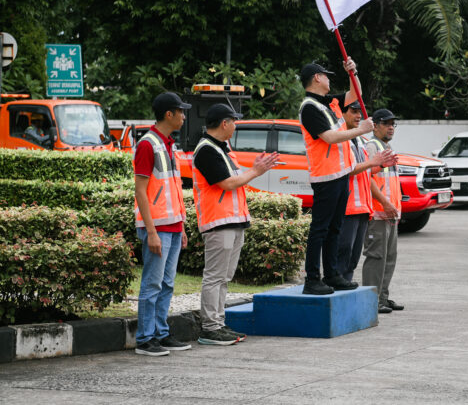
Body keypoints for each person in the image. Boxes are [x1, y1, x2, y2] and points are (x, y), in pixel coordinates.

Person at [193, 103, 281, 346]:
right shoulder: (207, 150)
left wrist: (254, 170)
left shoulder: (222, 149)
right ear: (224, 123)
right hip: (218, 222)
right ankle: (210, 328)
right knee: (215, 277)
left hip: (232, 221)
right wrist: (256, 171)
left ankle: (218, 324)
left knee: (223, 277)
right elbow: (228, 183)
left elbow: (236, 180)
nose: (235, 125)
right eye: (233, 121)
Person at [298, 59, 375, 295]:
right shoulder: (309, 107)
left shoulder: (330, 103)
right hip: (326, 176)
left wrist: (354, 71)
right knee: (320, 229)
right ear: (317, 78)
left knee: (335, 228)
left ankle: (332, 275)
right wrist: (361, 130)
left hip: (341, 174)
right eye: (326, 75)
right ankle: (313, 278)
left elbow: (356, 92)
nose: (330, 79)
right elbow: (329, 137)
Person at [133, 92, 192, 356]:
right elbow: (141, 191)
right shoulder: (147, 145)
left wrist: (182, 226)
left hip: (173, 226)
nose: (184, 116)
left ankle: (161, 333)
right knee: (153, 284)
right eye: (181, 111)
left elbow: (173, 189)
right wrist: (152, 232)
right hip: (157, 227)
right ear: (169, 114)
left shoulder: (169, 144)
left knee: (167, 283)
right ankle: (145, 339)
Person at [336, 101, 395, 282]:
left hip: (363, 207)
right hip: (348, 206)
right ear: (342, 114)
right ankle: (341, 292)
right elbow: (346, 169)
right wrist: (373, 162)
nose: (358, 116)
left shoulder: (360, 142)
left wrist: (379, 166)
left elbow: (365, 172)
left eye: (359, 112)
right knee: (343, 255)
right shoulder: (341, 139)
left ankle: (348, 291)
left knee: (353, 259)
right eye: (353, 112)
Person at [362, 108, 404, 314]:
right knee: (376, 257)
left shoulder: (386, 147)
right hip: (379, 213)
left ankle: (382, 298)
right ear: (375, 125)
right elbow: (366, 178)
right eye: (386, 124)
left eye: (392, 124)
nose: (391, 127)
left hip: (390, 214)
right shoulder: (371, 147)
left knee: (389, 258)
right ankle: (372, 300)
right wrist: (386, 203)